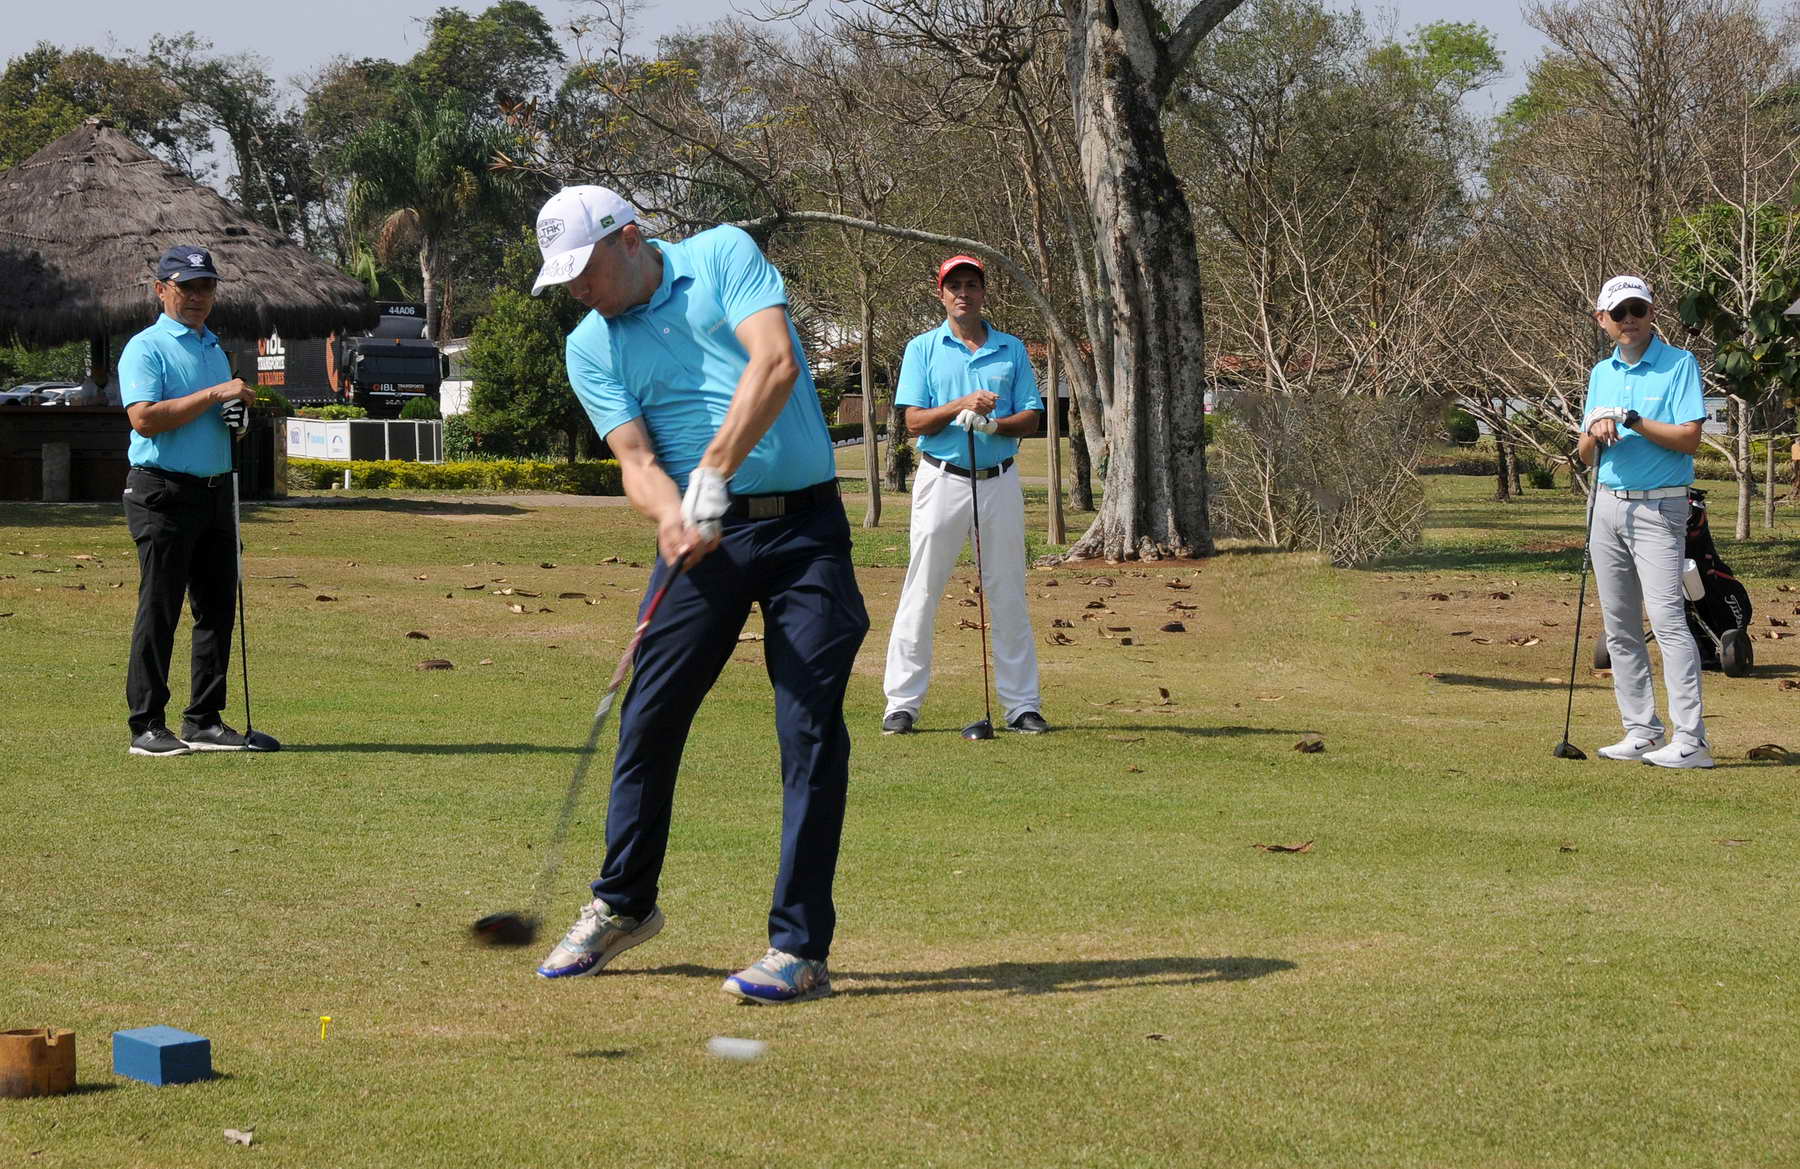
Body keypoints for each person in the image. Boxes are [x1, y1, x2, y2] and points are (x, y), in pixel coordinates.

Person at [529, 186, 869, 1003]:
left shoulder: (721, 255)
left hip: (805, 532)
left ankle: (799, 948)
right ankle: (623, 903)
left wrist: (714, 470)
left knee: (808, 726)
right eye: (564, 278)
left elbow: (776, 363)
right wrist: (670, 515)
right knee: (649, 714)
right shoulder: (589, 345)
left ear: (629, 237)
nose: (578, 289)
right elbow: (636, 459)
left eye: (584, 270)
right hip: (704, 540)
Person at [880, 255, 1047, 736]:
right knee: (922, 590)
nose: (963, 294)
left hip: (1000, 478)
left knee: (1008, 591)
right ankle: (901, 704)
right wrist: (960, 406)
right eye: (955, 286)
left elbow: (1031, 417)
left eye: (972, 285)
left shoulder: (1011, 349)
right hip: (942, 478)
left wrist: (993, 425)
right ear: (941, 294)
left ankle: (1022, 705)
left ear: (983, 293)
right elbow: (913, 421)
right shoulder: (922, 348)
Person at [120, 246, 259, 757]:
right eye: (187, 287)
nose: (198, 296)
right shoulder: (146, 347)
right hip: (162, 491)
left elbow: (216, 419)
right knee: (160, 608)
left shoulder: (214, 348)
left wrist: (237, 420)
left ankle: (204, 719)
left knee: (217, 608)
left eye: (206, 287)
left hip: (215, 491)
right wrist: (215, 395)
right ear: (162, 290)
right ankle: (146, 725)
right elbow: (144, 419)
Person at [1577, 274, 1712, 769]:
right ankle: (1641, 730)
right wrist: (1596, 428)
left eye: (1637, 310)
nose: (1629, 319)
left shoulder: (1680, 364)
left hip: (1660, 507)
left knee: (1669, 622)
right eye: (1618, 313)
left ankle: (1692, 741)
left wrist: (1631, 419)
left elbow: (1689, 439)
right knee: (1619, 626)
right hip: (1607, 504)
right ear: (1602, 320)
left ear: (1652, 313)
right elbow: (1584, 454)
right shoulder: (1600, 373)